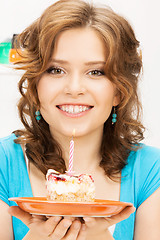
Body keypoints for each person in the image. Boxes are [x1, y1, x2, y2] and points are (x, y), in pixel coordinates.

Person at [0, 0, 160, 239]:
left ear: (119, 90)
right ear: (35, 85)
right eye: (56, 70)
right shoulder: (4, 163)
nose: (74, 89)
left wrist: (99, 235)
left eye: (96, 72)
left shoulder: (150, 170)